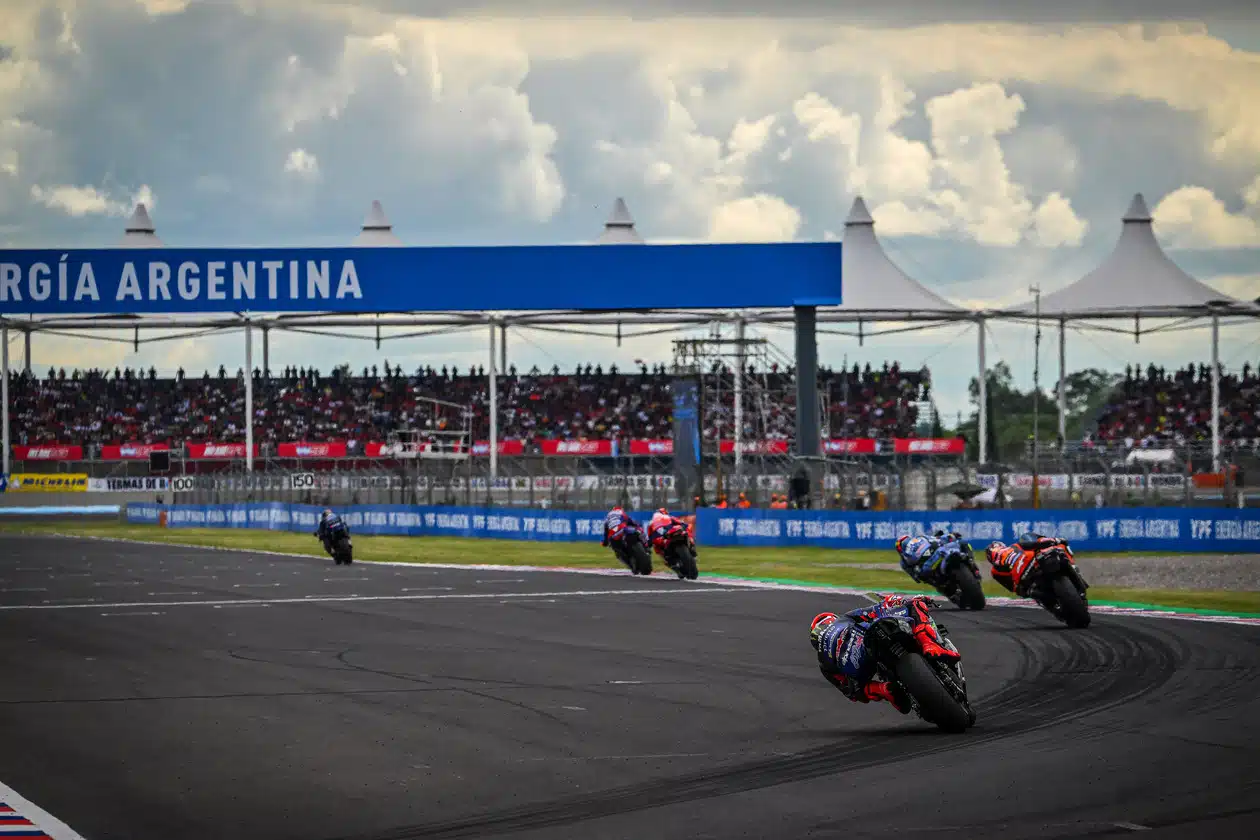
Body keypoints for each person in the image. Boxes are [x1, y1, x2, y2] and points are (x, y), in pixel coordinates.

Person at [810, 594, 958, 713]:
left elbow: (852, 693)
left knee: (857, 690)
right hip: (877, 640)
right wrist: (910, 600)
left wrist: (881, 690)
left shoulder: (825, 663)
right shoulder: (846, 619)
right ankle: (930, 644)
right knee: (914, 605)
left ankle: (886, 690)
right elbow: (879, 607)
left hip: (869, 656)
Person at [985, 533, 1071, 596]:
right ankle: (1053, 541)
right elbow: (1030, 546)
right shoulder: (1013, 546)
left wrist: (1020, 590)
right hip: (1030, 564)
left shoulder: (995, 570)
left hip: (1023, 574)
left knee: (1028, 592)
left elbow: (1011, 587)